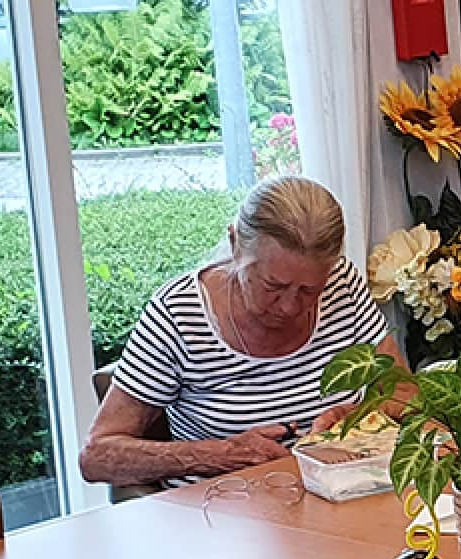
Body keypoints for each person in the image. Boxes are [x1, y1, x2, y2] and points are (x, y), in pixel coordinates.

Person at [79, 175, 397, 488]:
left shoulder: (342, 284)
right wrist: (222, 454)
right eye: (273, 285)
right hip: (224, 514)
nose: (289, 306)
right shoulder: (179, 314)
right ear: (235, 244)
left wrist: (360, 416)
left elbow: (406, 394)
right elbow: (97, 455)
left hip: (338, 498)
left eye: (309, 290)